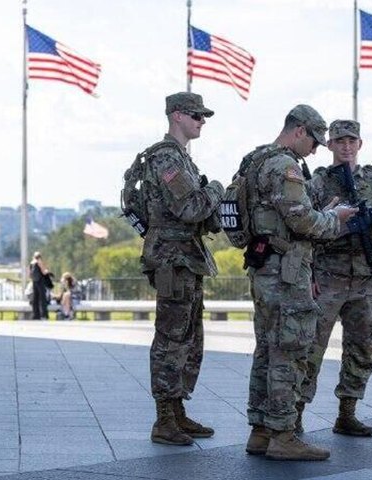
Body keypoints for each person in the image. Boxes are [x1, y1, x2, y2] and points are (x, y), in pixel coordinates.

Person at [243, 105, 357, 462]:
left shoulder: (255, 159)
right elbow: (302, 220)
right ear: (299, 131)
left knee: (267, 348)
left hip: (265, 266)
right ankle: (283, 434)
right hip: (286, 271)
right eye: (314, 141)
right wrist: (334, 218)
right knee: (289, 350)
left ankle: (261, 430)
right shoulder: (284, 165)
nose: (315, 149)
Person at [298, 120, 372, 437]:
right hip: (328, 275)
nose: (346, 146)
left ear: (360, 144)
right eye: (339, 141)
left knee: (361, 348)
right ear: (329, 145)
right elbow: (304, 231)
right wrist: (309, 273)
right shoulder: (316, 184)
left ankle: (347, 413)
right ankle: (295, 414)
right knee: (309, 349)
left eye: (351, 141)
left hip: (365, 279)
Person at [138, 92, 224, 446]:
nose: (201, 122)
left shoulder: (181, 158)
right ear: (176, 116)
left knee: (189, 338)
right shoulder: (167, 159)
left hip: (186, 258)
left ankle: (176, 412)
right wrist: (218, 189)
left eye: (203, 117)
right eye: (196, 116)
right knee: (171, 339)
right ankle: (163, 419)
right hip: (173, 259)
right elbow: (191, 207)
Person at [29, 252, 50, 320]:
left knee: (35, 298)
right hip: (40, 281)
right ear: (39, 257)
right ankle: (44, 315)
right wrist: (47, 271)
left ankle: (36, 315)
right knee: (42, 298)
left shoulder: (31, 263)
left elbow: (29, 274)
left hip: (34, 282)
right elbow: (44, 272)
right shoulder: (39, 262)